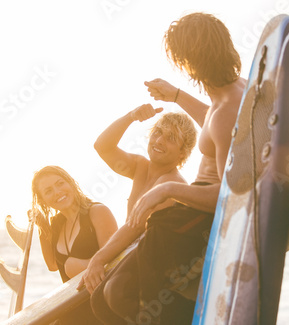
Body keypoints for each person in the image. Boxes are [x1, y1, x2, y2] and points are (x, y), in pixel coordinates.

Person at [89, 12, 246, 324]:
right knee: (103, 298)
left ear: (189, 62)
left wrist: (169, 189)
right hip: (190, 213)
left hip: (195, 218)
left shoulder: (226, 109)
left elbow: (232, 194)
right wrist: (175, 95)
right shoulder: (231, 93)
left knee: (116, 296)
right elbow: (213, 122)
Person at [78, 105, 198, 294]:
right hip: (129, 258)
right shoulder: (140, 166)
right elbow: (103, 147)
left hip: (152, 275)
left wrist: (98, 259)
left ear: (183, 152)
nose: (159, 140)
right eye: (157, 132)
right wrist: (131, 116)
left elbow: (134, 227)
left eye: (171, 138)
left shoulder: (172, 184)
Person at [29, 165, 118, 324]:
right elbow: (52, 265)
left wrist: (79, 265)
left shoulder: (97, 212)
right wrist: (42, 225)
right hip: (74, 311)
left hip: (104, 311)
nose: (57, 192)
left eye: (60, 183)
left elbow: (115, 265)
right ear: (43, 200)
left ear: (71, 183)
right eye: (48, 191)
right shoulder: (57, 224)